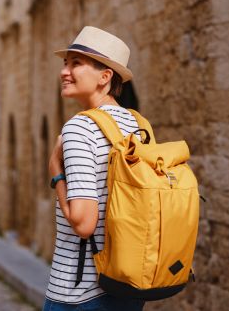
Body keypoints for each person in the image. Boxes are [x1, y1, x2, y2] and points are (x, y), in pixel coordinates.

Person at [44, 26, 145, 310]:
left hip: (79, 292)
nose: (64, 72)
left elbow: (84, 223)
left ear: (105, 76)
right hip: (127, 285)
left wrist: (56, 172)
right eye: (65, 63)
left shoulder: (79, 127)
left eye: (76, 64)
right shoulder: (136, 124)